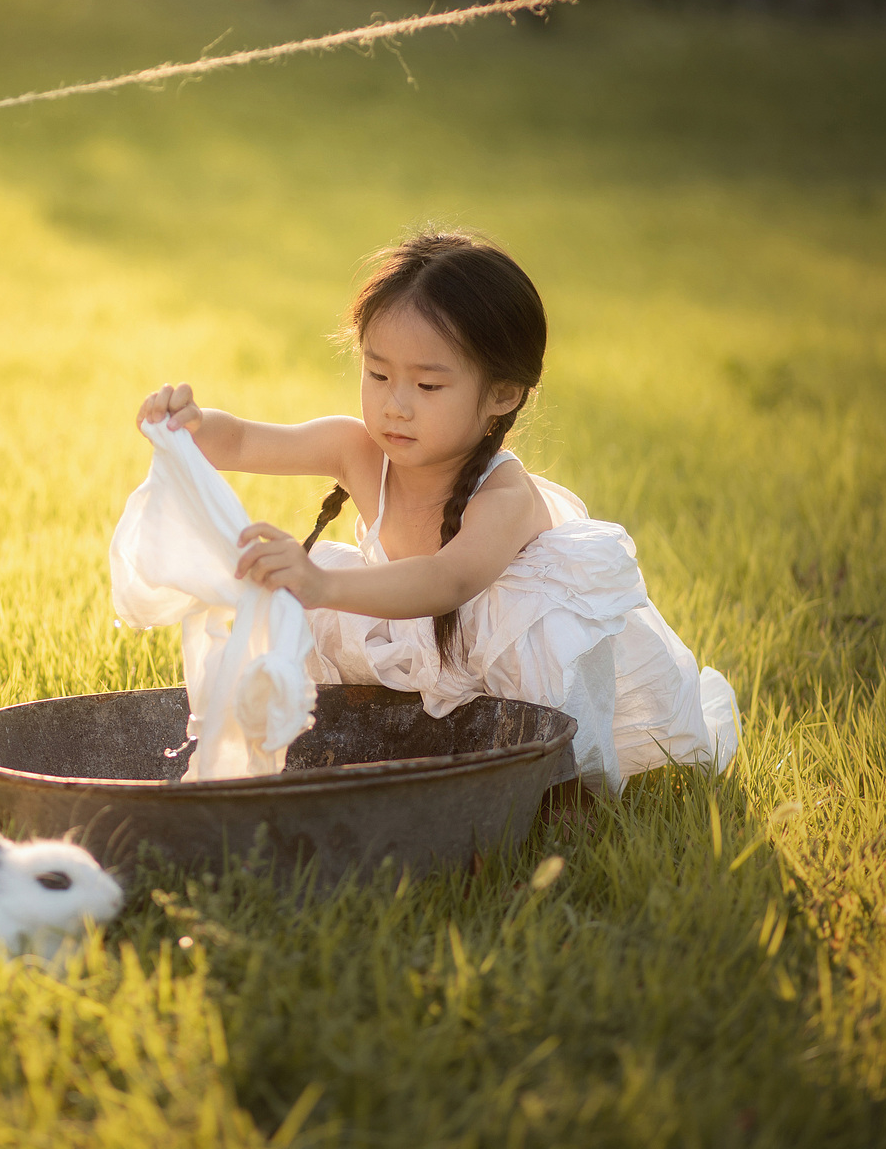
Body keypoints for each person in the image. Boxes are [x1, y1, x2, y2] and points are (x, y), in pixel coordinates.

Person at [135, 230, 738, 794]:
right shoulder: (356, 450)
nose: (395, 405)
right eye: (377, 373)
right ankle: (353, 758)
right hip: (421, 637)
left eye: (427, 387)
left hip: (512, 659)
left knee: (531, 630)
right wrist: (188, 426)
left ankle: (558, 794)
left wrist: (320, 582)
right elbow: (241, 441)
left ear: (501, 394)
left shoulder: (505, 494)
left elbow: (448, 581)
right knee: (307, 618)